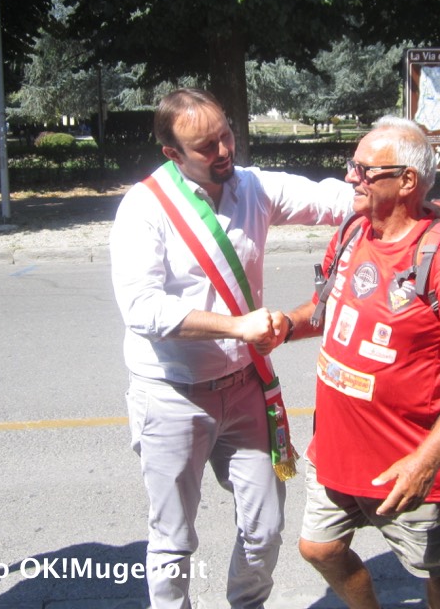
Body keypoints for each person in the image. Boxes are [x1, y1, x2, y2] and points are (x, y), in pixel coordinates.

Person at [109, 88, 356, 609]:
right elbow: (142, 309)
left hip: (244, 389)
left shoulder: (253, 188)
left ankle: (247, 605)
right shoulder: (144, 208)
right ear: (172, 154)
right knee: (173, 538)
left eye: (226, 135)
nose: (224, 151)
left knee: (265, 526)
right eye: (206, 146)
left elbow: (334, 200)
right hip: (171, 394)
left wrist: (422, 201)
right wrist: (237, 327)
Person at [277, 116, 440, 609]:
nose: (351, 178)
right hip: (335, 449)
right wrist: (286, 326)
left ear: (406, 182)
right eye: (352, 166)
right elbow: (329, 309)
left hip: (408, 462)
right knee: (319, 547)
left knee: (438, 573)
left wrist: (426, 463)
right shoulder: (354, 232)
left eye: (363, 170)